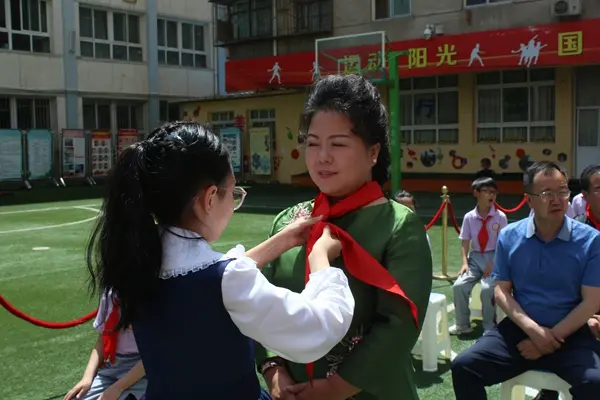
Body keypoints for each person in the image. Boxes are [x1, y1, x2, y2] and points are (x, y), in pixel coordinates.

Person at [85, 121, 356, 399]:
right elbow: (315, 328)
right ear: (210, 198)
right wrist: (321, 258)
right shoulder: (225, 281)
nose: (234, 205)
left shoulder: (139, 260)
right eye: (234, 193)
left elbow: (211, 277)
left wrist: (285, 238)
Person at [255, 75, 433, 400]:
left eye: (337, 144)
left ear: (373, 152)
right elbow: (262, 302)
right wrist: (273, 368)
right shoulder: (290, 222)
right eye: (312, 142)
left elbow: (398, 324)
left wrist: (337, 387)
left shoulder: (398, 225)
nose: (322, 156)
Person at [451, 161, 600, 400]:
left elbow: (591, 302)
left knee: (595, 383)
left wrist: (546, 339)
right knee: (464, 366)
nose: (557, 199)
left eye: (562, 191)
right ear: (529, 200)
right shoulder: (510, 236)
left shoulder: (591, 240)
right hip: (520, 330)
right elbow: (501, 292)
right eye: (546, 193)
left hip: (572, 333)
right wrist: (534, 331)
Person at [536, 164, 600, 400]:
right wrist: (588, 316)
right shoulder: (575, 234)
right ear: (585, 197)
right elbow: (564, 287)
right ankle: (550, 389)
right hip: (583, 311)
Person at [450, 177, 508, 336]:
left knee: (487, 288)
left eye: (494, 192)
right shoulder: (469, 217)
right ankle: (462, 324)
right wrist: (464, 263)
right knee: (459, 286)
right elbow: (465, 242)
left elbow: (503, 244)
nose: (491, 195)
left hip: (494, 257)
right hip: (475, 258)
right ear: (476, 193)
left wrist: (494, 263)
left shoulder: (500, 217)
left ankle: (489, 326)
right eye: (487, 191)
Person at [65, 290, 146, 400]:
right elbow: (102, 339)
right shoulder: (110, 293)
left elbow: (156, 355)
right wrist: (87, 377)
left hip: (142, 369)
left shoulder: (150, 295)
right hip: (113, 366)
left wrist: (117, 388)